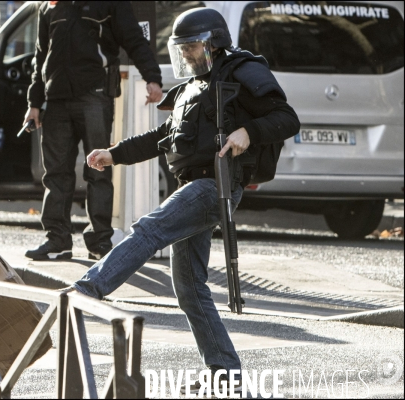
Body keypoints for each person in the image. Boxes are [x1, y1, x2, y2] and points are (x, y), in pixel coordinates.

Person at [70, 7, 300, 393]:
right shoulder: (193, 87)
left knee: (149, 228)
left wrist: (248, 131)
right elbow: (163, 135)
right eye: (183, 48)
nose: (188, 55)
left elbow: (288, 118)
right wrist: (114, 154)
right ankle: (225, 375)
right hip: (192, 186)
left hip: (216, 186)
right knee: (190, 287)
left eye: (192, 46)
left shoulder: (240, 71)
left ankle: (85, 291)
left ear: (214, 42)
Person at [24, 1, 163, 262]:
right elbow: (40, 56)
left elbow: (134, 39)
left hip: (95, 95)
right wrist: (33, 103)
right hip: (55, 99)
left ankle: (99, 242)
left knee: (98, 169)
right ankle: (57, 241)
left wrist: (152, 77)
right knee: (55, 174)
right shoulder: (49, 6)